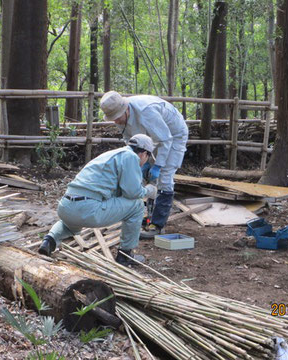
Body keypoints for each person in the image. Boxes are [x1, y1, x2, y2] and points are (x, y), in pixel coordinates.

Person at [38, 134, 157, 266]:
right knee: (137, 205)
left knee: (70, 223)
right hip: (88, 209)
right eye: (147, 158)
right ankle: (125, 255)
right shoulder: (131, 157)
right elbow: (132, 193)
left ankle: (49, 240)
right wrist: (149, 190)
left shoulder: (112, 154)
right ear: (144, 153)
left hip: (66, 207)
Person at [100, 91, 188, 238]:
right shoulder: (122, 118)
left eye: (117, 117)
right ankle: (149, 218)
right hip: (153, 136)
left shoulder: (147, 112)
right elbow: (130, 140)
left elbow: (166, 140)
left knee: (164, 177)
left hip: (174, 135)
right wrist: (140, 163)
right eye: (112, 118)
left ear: (125, 110)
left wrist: (158, 165)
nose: (115, 121)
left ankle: (157, 226)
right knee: (149, 177)